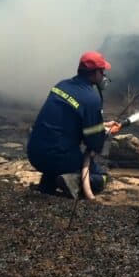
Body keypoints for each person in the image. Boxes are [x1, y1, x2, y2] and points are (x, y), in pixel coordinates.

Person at [26, 51, 121, 198]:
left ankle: (48, 185)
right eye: (102, 71)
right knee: (101, 176)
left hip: (34, 153)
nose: (103, 75)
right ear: (95, 73)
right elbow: (94, 142)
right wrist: (105, 133)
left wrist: (102, 124)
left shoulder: (61, 85)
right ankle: (72, 180)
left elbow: (68, 121)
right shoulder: (91, 98)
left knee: (57, 151)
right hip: (57, 157)